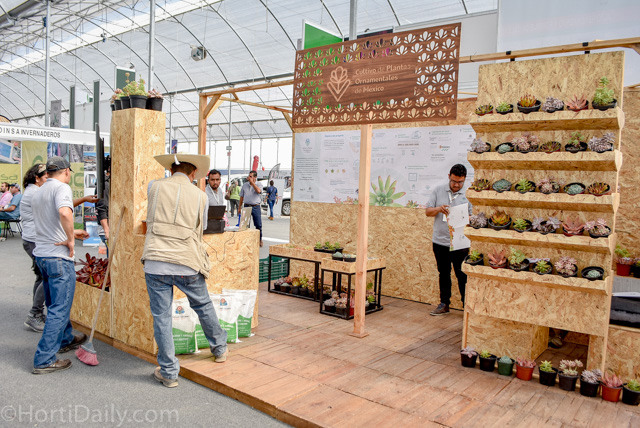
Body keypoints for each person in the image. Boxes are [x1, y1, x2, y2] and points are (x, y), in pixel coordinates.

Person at [141, 154, 228, 388]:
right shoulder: (201, 196)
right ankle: (219, 349)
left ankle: (169, 373)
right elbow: (202, 227)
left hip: (156, 260)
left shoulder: (154, 186)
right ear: (193, 174)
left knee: (162, 317)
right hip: (186, 261)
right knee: (203, 305)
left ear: (171, 170)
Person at [32, 156, 89, 374]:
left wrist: (71, 232)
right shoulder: (62, 188)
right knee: (59, 309)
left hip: (43, 256)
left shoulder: (39, 191)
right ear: (66, 171)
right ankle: (44, 359)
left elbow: (51, 222)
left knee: (53, 304)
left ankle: (65, 339)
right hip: (58, 258)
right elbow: (65, 212)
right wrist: (71, 239)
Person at [425, 164, 472, 316]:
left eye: (460, 182)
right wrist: (439, 209)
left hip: (460, 242)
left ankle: (467, 308)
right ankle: (444, 304)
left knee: (462, 275)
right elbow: (428, 211)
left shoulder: (469, 194)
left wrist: (463, 217)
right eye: (453, 181)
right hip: (440, 241)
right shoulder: (438, 190)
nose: (456, 185)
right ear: (449, 177)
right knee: (443, 273)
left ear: (464, 180)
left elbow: (474, 217)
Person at [21, 164, 49, 332]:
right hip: (34, 240)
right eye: (46, 177)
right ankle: (34, 314)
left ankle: (37, 313)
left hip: (31, 239)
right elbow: (56, 210)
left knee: (41, 276)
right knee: (48, 277)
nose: (48, 180)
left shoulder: (33, 191)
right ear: (37, 178)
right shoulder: (35, 193)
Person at [238, 170, 263, 247]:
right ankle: (246, 240)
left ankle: (259, 239)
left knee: (258, 224)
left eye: (251, 176)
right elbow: (241, 197)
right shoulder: (245, 185)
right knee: (245, 225)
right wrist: (239, 207)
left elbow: (258, 191)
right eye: (249, 176)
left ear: (255, 177)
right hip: (247, 206)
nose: (249, 178)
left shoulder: (259, 184)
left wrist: (252, 183)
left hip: (256, 206)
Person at [96, 156, 111, 255]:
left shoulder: (108, 183)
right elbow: (101, 208)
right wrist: (107, 230)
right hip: (107, 230)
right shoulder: (105, 184)